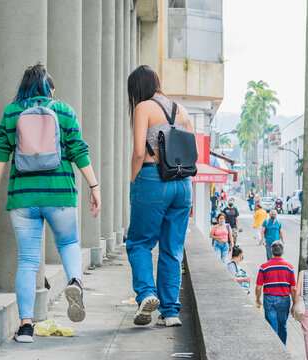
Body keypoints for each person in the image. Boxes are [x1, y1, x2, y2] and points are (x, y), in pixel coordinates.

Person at [0, 63, 101, 343]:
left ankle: (25, 327)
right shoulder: (63, 111)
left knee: (27, 260)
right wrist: (94, 186)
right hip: (59, 193)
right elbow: (78, 150)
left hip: (23, 197)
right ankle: (75, 282)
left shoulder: (12, 112)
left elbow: (1, 152)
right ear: (49, 88)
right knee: (68, 243)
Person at [126, 65, 194, 327]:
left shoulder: (144, 107)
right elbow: (190, 153)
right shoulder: (183, 110)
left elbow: (139, 153)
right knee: (172, 249)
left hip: (153, 178)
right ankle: (171, 312)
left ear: (138, 87)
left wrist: (134, 180)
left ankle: (146, 294)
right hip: (183, 185)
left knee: (139, 243)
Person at [256, 241, 297, 345]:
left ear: (271, 251)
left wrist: (257, 299)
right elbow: (293, 289)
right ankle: (282, 349)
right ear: (283, 252)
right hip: (284, 299)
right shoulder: (289, 267)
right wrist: (294, 303)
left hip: (269, 299)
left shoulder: (264, 267)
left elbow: (258, 286)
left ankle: (274, 349)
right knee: (282, 325)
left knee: (271, 326)